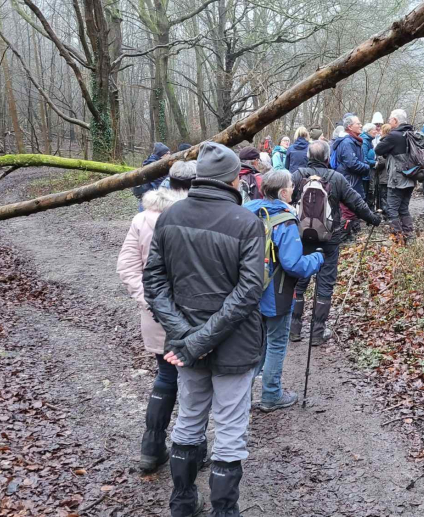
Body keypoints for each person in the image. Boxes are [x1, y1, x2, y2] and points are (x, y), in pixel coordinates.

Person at [143, 142, 264, 517]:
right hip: (230, 344)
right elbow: (249, 292)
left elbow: (154, 283)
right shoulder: (246, 222)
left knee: (191, 417)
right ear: (233, 178)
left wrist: (186, 337)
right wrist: (195, 339)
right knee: (229, 429)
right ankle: (223, 511)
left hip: (187, 344)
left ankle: (182, 503)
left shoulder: (170, 216)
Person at [117, 161, 192, 474]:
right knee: (193, 382)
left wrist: (149, 301)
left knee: (165, 376)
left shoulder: (142, 219)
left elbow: (127, 268)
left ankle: (152, 448)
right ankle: (189, 452)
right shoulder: (195, 218)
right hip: (191, 318)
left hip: (156, 316)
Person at [244, 171, 323, 412]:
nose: (294, 190)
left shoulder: (246, 211)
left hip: (245, 292)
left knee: (253, 345)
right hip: (275, 293)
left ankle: (240, 395)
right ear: (283, 192)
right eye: (291, 186)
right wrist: (317, 259)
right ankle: (271, 395)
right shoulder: (285, 220)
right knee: (276, 342)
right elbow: (293, 264)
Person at [289, 140, 381, 346]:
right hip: (329, 239)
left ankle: (293, 329)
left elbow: (283, 200)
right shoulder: (336, 178)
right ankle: (317, 333)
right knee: (325, 284)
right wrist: (372, 218)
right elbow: (356, 202)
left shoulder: (296, 176)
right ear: (327, 157)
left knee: (298, 281)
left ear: (307, 156)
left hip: (300, 237)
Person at [374, 109, 417, 240]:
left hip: (397, 178)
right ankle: (409, 235)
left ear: (396, 121)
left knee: (392, 208)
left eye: (390, 119)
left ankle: (397, 237)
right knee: (404, 208)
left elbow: (378, 149)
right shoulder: (412, 133)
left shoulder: (394, 136)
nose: (388, 122)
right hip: (411, 176)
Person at [330, 114, 371, 242]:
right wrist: (367, 167)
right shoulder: (347, 142)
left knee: (353, 208)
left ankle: (350, 235)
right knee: (348, 211)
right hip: (348, 180)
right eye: (358, 123)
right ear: (349, 126)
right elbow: (351, 163)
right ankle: (341, 238)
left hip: (353, 179)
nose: (360, 125)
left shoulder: (354, 140)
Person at [133, 142, 171, 211]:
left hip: (150, 197)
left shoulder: (158, 163)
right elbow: (161, 183)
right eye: (167, 153)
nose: (170, 155)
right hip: (149, 198)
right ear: (162, 155)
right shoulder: (153, 166)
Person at [372, 123, 392, 213]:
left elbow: (382, 160)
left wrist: (376, 165)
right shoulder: (393, 141)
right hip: (390, 175)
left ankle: (386, 214)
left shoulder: (384, 143)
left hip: (384, 175)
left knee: (384, 196)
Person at [361, 122, 379, 209]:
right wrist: (374, 163)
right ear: (368, 131)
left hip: (369, 172)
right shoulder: (364, 142)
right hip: (364, 174)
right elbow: (363, 159)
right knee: (364, 194)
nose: (376, 131)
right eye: (374, 130)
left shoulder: (369, 141)